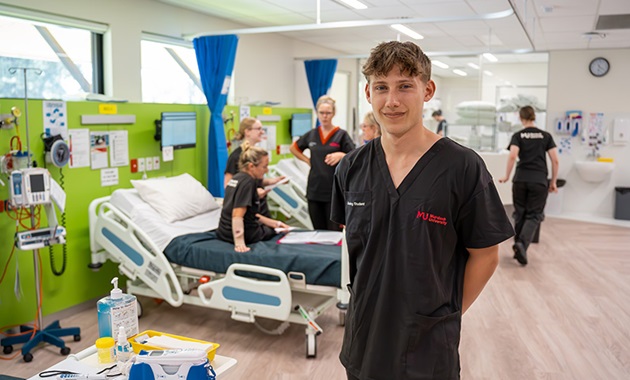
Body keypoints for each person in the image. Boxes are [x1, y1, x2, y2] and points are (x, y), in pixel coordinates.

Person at [331, 41, 514, 380]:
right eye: (381, 87)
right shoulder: (351, 168)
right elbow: (359, 247)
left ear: (427, 90)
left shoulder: (462, 166)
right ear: (368, 93)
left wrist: (447, 314)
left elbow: (487, 255)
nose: (392, 101)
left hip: (428, 348)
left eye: (405, 86)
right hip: (363, 342)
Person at [498, 105, 559, 266]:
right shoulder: (546, 136)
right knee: (534, 215)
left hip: (520, 179)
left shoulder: (518, 135)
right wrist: (553, 182)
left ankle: (518, 246)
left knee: (520, 213)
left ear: (520, 117)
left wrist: (506, 176)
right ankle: (522, 245)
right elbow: (555, 160)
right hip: (539, 180)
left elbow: (512, 156)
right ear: (534, 117)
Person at [290, 95, 355, 231]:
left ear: (333, 113)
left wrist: (341, 155)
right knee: (318, 231)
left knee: (334, 231)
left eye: (328, 113)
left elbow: (355, 157)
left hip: (334, 192)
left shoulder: (341, 135)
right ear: (317, 113)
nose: (325, 116)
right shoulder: (312, 134)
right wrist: (308, 161)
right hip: (314, 190)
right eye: (322, 113)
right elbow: (294, 148)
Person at [217, 142, 290, 252]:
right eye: (264, 167)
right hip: (243, 234)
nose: (267, 170)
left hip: (223, 232)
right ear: (251, 166)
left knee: (273, 227)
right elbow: (237, 215)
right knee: (273, 232)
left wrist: (276, 223)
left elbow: (250, 214)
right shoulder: (248, 183)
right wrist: (239, 243)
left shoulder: (237, 178)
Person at [224, 117, 285, 217]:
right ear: (247, 132)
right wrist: (252, 193)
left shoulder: (256, 154)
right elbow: (228, 185)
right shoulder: (236, 156)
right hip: (246, 207)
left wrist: (272, 181)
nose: (262, 132)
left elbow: (253, 181)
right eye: (258, 129)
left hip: (260, 204)